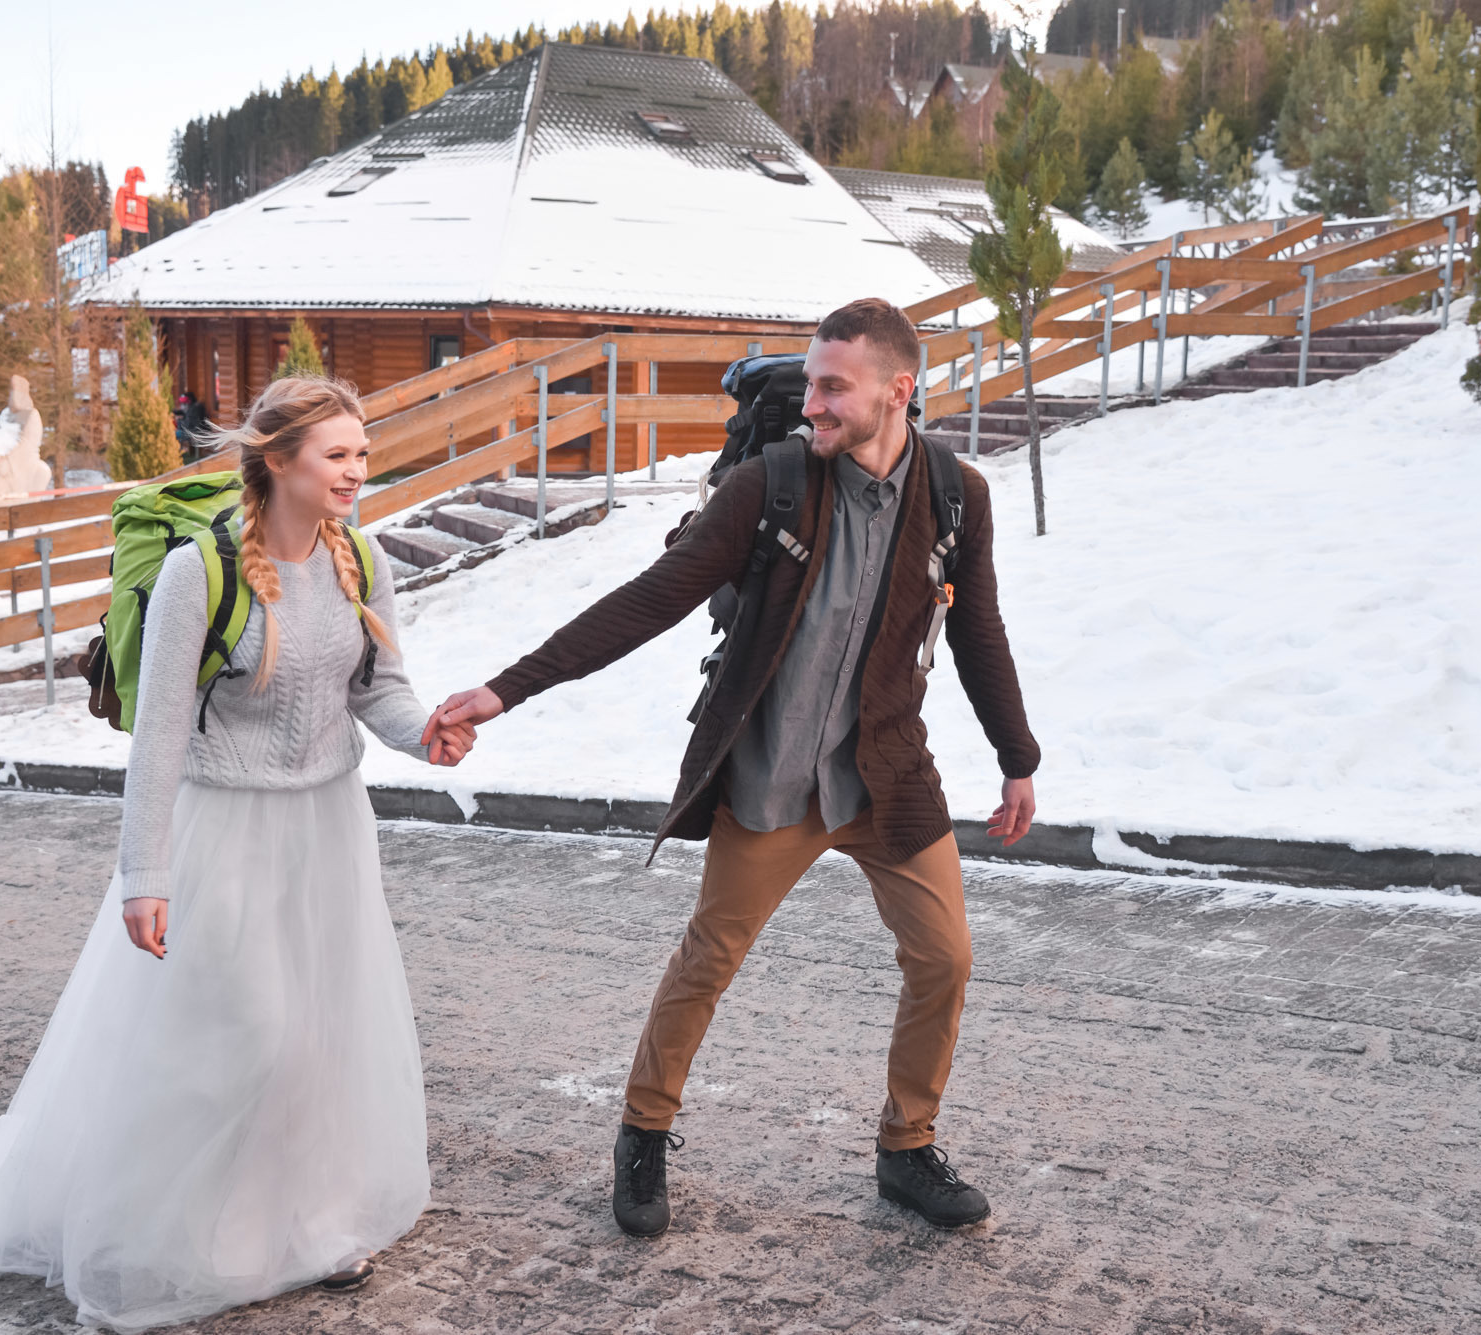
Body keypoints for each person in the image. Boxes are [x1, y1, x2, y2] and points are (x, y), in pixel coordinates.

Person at [423, 298, 1040, 1236]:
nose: (814, 403)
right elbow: (653, 598)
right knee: (710, 957)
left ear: (898, 392)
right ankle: (642, 1133)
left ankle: (907, 1146)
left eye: (835, 388)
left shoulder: (957, 497)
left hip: (884, 775)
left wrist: (1016, 757)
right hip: (773, 772)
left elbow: (977, 628)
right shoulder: (775, 482)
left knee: (945, 958)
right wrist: (504, 691)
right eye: (812, 382)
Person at [0, 376, 477, 1332]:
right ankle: (194, 1233)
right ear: (278, 461)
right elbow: (160, 739)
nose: (358, 470)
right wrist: (143, 875)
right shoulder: (199, 571)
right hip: (220, 830)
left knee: (316, 1037)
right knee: (248, 1033)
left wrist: (421, 730)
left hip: (327, 829)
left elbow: (378, 690)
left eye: (361, 451)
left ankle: (310, 1221)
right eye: (337, 454)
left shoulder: (363, 559)